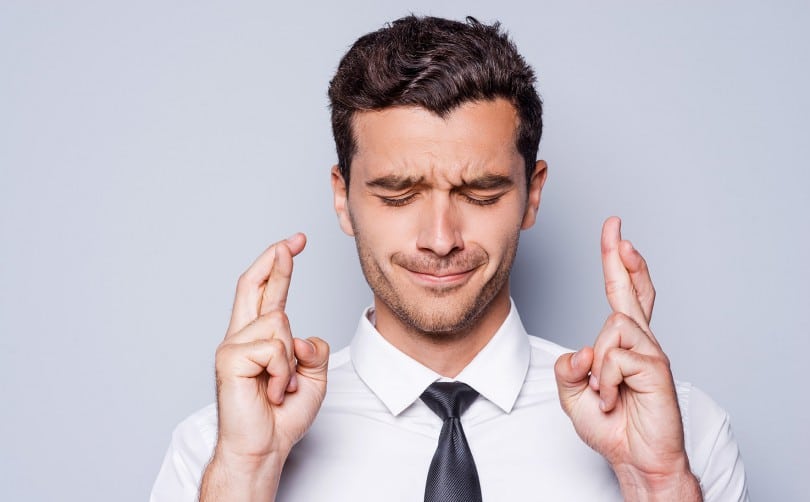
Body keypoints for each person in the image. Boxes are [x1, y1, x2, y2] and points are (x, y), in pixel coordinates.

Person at [151, 15, 747, 501]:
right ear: (342, 196)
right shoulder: (216, 453)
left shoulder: (681, 435)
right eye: (397, 194)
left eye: (480, 193)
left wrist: (657, 482)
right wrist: (248, 473)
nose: (440, 239)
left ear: (532, 194)